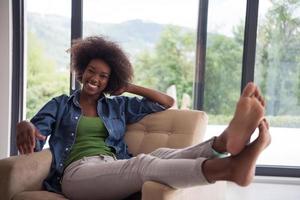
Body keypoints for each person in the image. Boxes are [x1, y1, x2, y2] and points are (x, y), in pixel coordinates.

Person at [16, 36, 270, 200]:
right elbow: (34, 137)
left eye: (104, 76)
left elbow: (166, 103)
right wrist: (25, 124)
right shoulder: (60, 104)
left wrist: (128, 87)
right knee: (143, 164)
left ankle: (224, 143)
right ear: (81, 72)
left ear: (109, 81)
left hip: (110, 164)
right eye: (91, 71)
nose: (95, 78)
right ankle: (229, 168)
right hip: (76, 174)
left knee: (161, 154)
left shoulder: (117, 107)